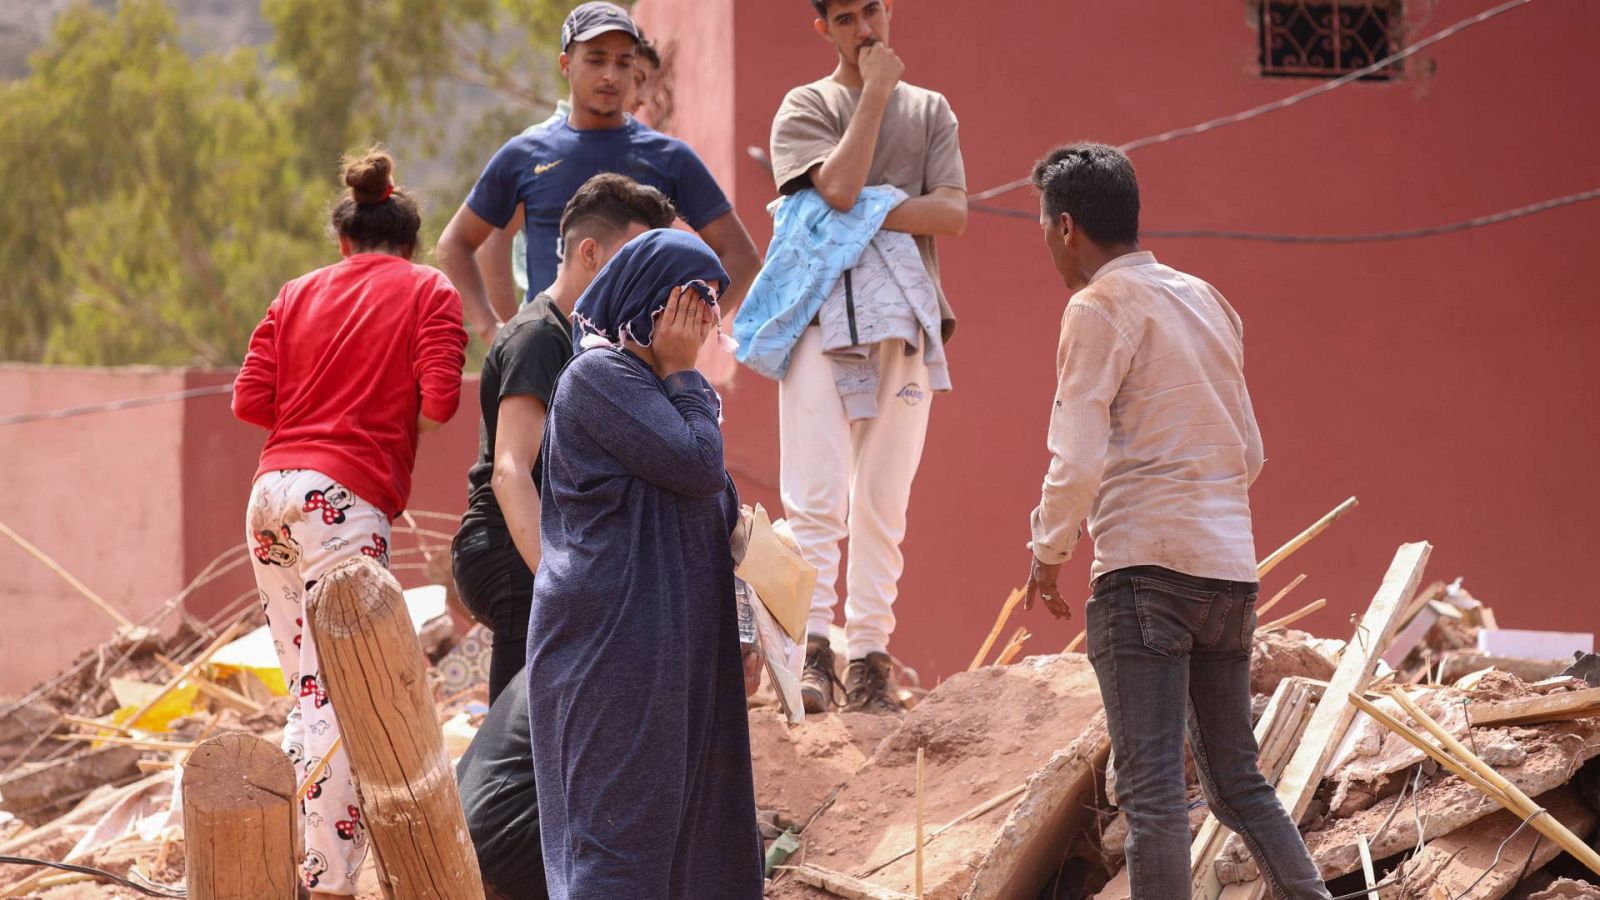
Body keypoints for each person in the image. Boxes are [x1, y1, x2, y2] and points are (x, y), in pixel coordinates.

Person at [1022, 143, 1331, 900]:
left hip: (1144, 580)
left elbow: (1077, 455)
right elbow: (1248, 449)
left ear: (1066, 227)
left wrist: (1048, 551)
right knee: (1237, 782)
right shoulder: (1206, 299)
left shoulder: (1096, 307)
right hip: (1229, 572)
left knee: (1153, 794)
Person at [232, 149, 467, 897]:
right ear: (411, 238)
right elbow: (439, 404)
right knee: (342, 696)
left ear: (344, 239)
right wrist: (375, 410)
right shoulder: (430, 289)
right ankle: (327, 882)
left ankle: (288, 865)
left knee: (307, 690)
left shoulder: (294, 292)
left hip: (269, 493)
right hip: (344, 500)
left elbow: (249, 403)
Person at [529, 228, 761, 897]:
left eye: (711, 309)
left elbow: (712, 508)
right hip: (613, 657)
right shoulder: (598, 377)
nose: (704, 324)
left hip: (677, 662)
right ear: (644, 303)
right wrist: (687, 371)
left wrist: (743, 630)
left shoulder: (670, 402)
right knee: (619, 844)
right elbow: (694, 466)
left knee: (693, 843)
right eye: (689, 305)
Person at [768, 0, 966, 715]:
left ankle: (873, 658)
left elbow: (953, 213)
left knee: (883, 496)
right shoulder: (804, 106)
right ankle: (814, 650)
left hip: (908, 322)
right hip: (821, 319)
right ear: (824, 28)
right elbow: (837, 186)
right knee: (816, 496)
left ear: (892, 9)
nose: (866, 29)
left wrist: (863, 211)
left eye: (873, 10)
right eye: (846, 18)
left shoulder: (933, 109)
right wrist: (876, 90)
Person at [452, 173, 678, 703]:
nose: (646, 278)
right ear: (591, 253)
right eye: (634, 259)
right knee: (526, 735)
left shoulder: (592, 344)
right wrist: (560, 583)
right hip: (512, 550)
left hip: (545, 549)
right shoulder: (539, 337)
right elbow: (510, 470)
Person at [438, 1, 760, 342]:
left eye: (624, 62)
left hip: (637, 371)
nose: (610, 74)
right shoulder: (525, 154)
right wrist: (494, 331)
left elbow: (741, 257)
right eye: (596, 60)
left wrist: (688, 329)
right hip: (549, 365)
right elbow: (455, 243)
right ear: (566, 64)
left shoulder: (669, 157)